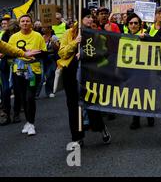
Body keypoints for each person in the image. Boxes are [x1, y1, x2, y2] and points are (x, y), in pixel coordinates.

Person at [58, 8, 111, 147]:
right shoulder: (69, 33)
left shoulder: (95, 34)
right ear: (80, 18)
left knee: (91, 101)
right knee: (73, 105)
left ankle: (101, 128)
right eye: (87, 17)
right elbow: (62, 53)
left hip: (89, 73)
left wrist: (86, 55)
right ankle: (77, 136)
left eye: (91, 17)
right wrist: (75, 42)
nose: (90, 19)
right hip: (71, 74)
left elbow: (103, 52)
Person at [8, 14, 47, 136]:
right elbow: (9, 54)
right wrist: (22, 55)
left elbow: (44, 54)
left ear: (31, 23)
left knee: (30, 97)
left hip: (33, 71)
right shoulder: (14, 37)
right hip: (18, 71)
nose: (25, 23)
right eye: (23, 21)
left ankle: (31, 123)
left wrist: (31, 54)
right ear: (19, 24)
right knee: (23, 97)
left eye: (27, 21)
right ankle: (28, 122)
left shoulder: (37, 36)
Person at [126, 13, 155, 130]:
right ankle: (136, 119)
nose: (133, 25)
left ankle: (149, 115)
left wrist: (146, 38)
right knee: (134, 94)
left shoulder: (144, 35)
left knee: (146, 93)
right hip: (130, 70)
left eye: (136, 23)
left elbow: (156, 42)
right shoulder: (125, 36)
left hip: (144, 70)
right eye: (131, 23)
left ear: (140, 25)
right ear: (128, 25)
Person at [38, 26, 60, 98]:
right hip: (42, 58)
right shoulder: (40, 37)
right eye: (43, 27)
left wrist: (53, 42)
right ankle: (36, 93)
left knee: (50, 75)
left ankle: (49, 91)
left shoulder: (54, 37)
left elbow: (57, 48)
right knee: (40, 77)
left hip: (51, 58)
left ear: (50, 29)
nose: (43, 28)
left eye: (45, 27)